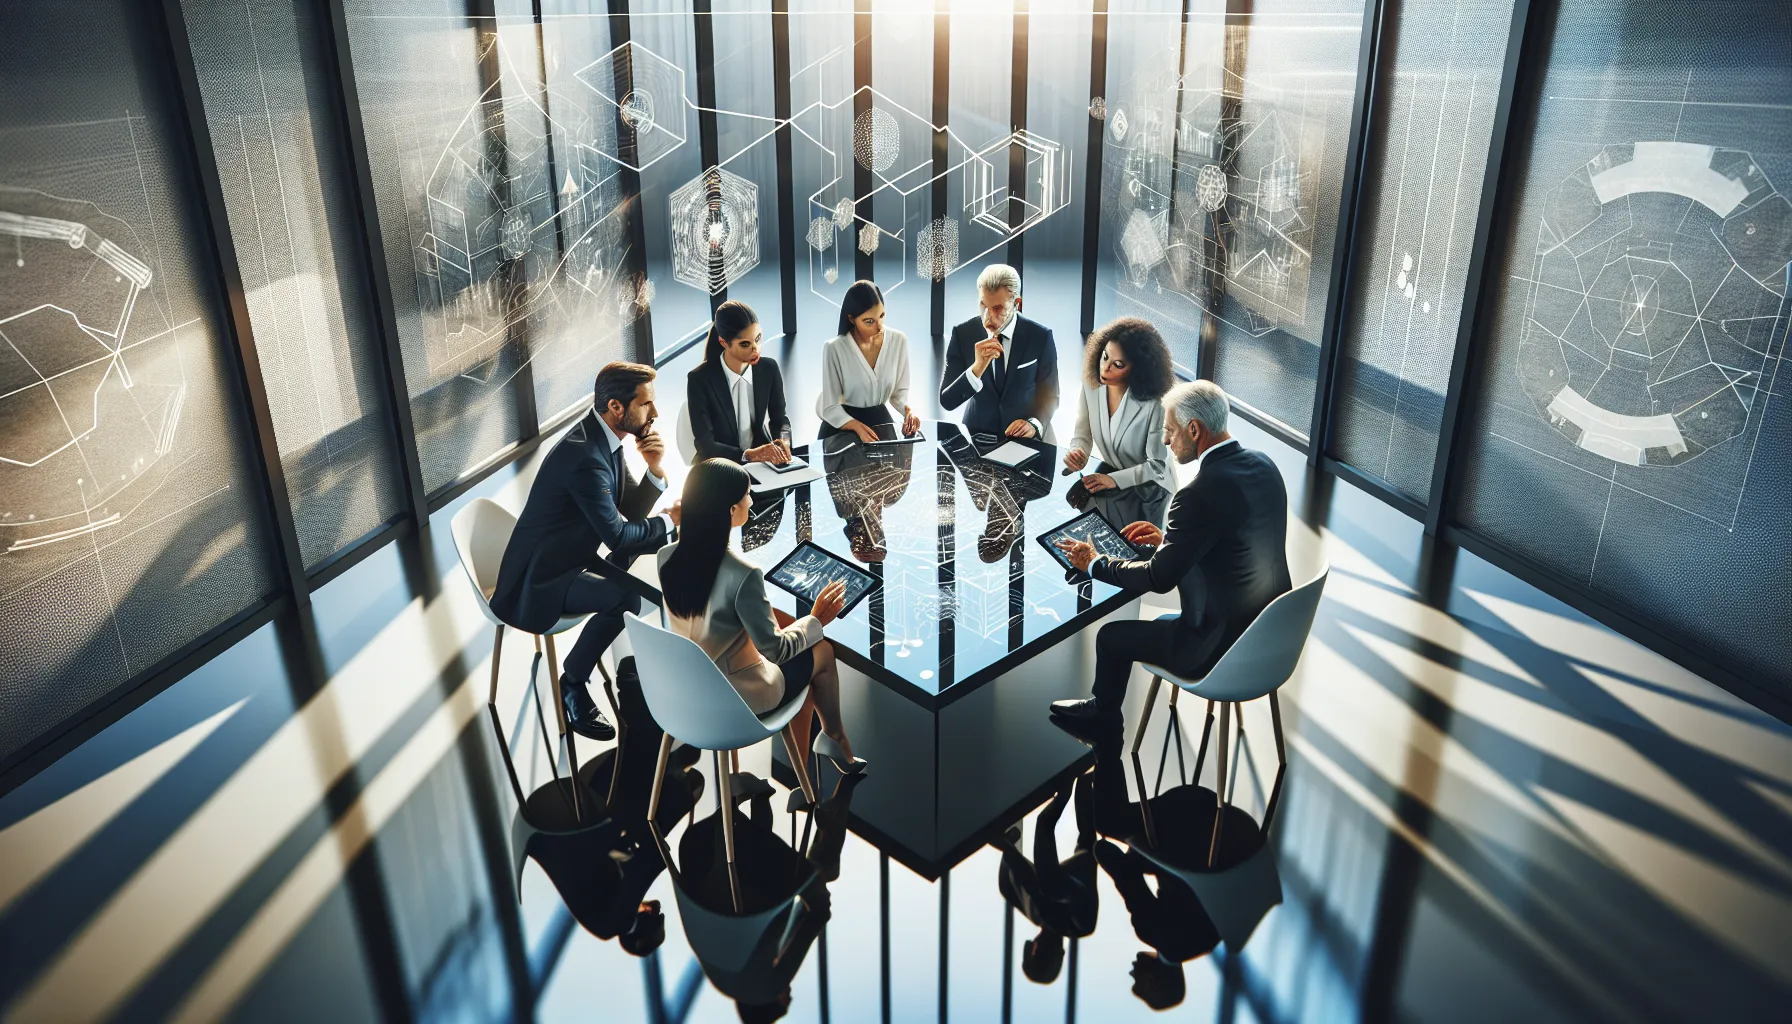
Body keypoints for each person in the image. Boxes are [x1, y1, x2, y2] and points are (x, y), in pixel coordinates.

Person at [1050, 380, 1291, 725]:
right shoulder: (1265, 465)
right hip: (1270, 632)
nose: (1164, 440)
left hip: (1216, 646)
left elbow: (1157, 578)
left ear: (1194, 429)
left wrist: (1094, 562)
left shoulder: (1196, 495)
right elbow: (1233, 539)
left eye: (1169, 430)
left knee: (1111, 637)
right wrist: (1172, 541)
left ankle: (1103, 719)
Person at [492, 362, 680, 741]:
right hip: (541, 577)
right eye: (647, 405)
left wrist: (655, 468)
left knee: (646, 566)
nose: (655, 414)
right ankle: (573, 681)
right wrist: (670, 522)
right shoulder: (587, 460)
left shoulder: (602, 438)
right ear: (616, 406)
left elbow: (628, 511)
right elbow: (618, 536)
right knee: (628, 597)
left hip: (568, 553)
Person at [656, 459, 865, 771]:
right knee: (821, 650)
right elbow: (777, 651)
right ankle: (835, 737)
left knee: (790, 631)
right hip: (736, 700)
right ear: (730, 510)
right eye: (747, 495)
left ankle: (820, 748)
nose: (751, 501)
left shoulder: (667, 556)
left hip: (687, 688)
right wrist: (817, 619)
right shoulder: (743, 575)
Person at [1065, 317, 1175, 528]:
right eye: (1105, 357)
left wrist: (1114, 480)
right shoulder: (1092, 384)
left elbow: (1157, 466)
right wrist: (1078, 452)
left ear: (1137, 369)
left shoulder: (1155, 404)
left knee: (1128, 547)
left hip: (1148, 490)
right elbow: (1082, 434)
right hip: (1109, 477)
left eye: (1117, 365)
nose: (1105, 369)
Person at [938, 264, 1059, 439]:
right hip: (977, 436)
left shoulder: (1040, 336)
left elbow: (1051, 394)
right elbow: (947, 401)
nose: (987, 317)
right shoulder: (963, 334)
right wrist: (977, 368)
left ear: (1017, 303)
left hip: (1025, 439)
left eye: (997, 308)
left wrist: (1034, 423)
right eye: (982, 305)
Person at [686, 300, 793, 465]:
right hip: (720, 465)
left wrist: (784, 441)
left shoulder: (768, 369)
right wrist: (749, 455)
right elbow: (705, 445)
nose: (755, 349)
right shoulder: (700, 380)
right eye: (745, 344)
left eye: (758, 339)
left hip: (760, 461)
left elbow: (780, 419)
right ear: (724, 343)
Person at [816, 280, 920, 442]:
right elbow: (829, 407)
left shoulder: (898, 340)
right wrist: (857, 427)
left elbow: (898, 394)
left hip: (880, 423)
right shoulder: (834, 348)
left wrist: (908, 412)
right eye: (869, 321)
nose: (879, 326)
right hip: (841, 427)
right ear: (851, 319)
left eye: (882, 316)